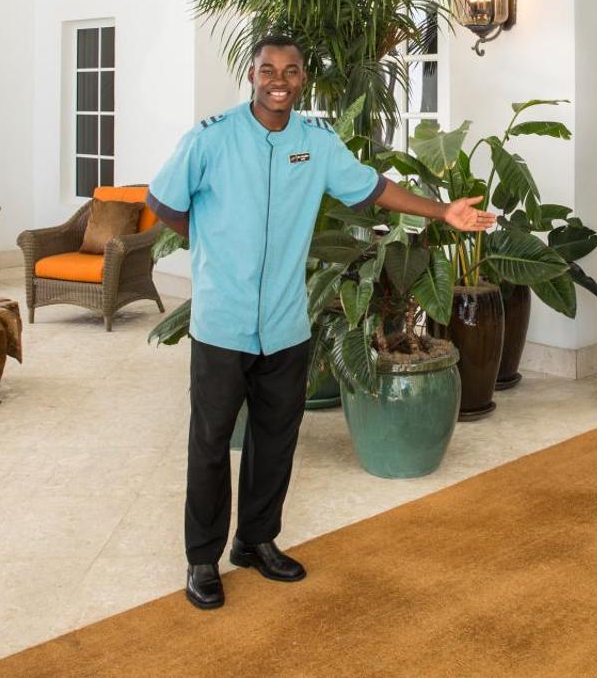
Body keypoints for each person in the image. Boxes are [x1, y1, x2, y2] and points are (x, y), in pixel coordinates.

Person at [146, 34, 494, 611]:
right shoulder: (211, 138)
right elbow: (163, 202)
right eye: (268, 69)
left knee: (275, 438)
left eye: (291, 71)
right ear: (252, 75)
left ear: (302, 78)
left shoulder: (316, 143)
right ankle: (202, 559)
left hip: (287, 320)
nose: (278, 80)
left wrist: (443, 211)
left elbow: (374, 188)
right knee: (210, 441)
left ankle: (256, 541)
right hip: (222, 321)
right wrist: (212, 245)